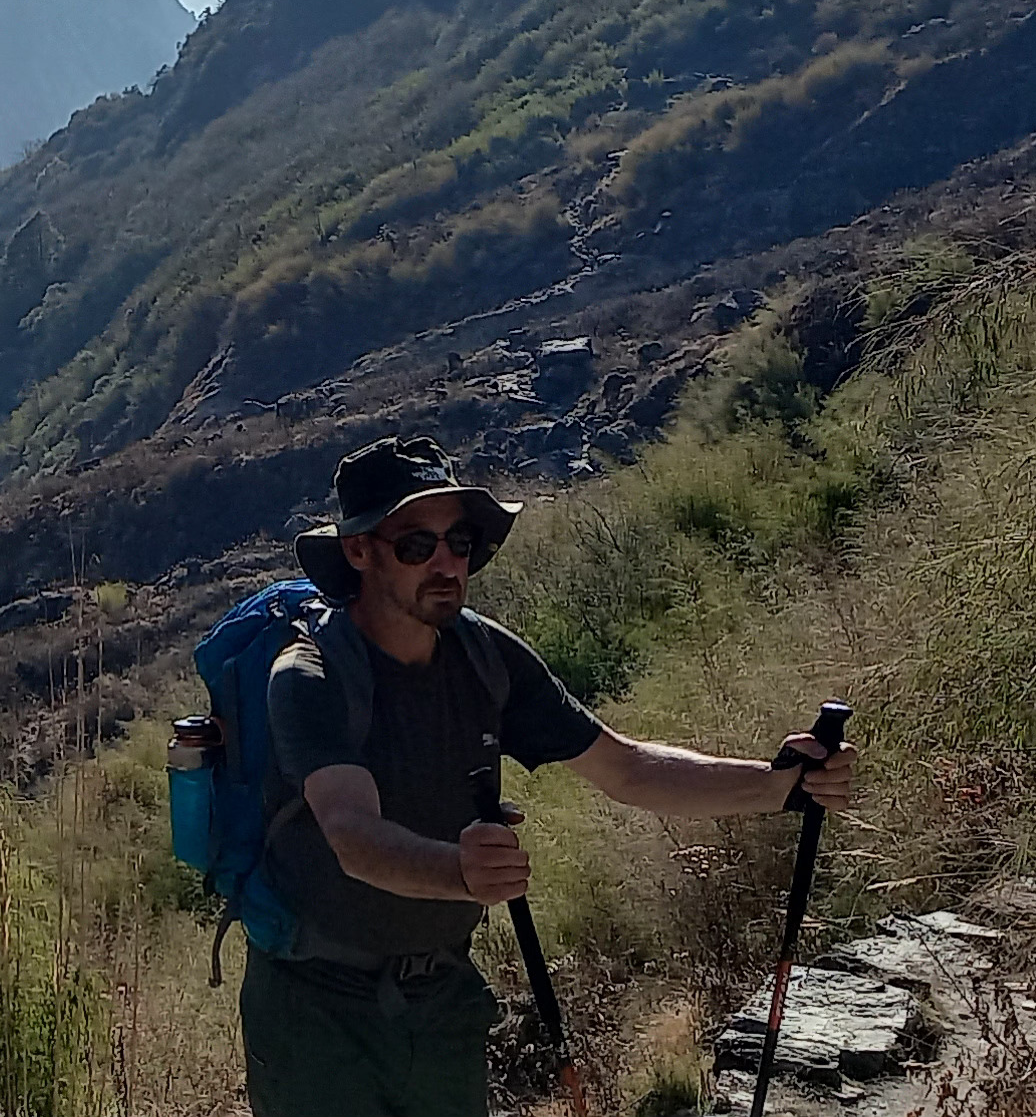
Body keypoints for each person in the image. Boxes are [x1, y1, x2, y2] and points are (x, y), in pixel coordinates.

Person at [247, 433, 860, 1117]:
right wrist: (460, 872)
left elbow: (626, 768)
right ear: (358, 551)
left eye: (461, 542)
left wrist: (779, 786)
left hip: (442, 996)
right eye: (416, 545)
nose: (446, 562)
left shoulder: (485, 656)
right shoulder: (312, 675)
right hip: (314, 1006)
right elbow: (351, 832)